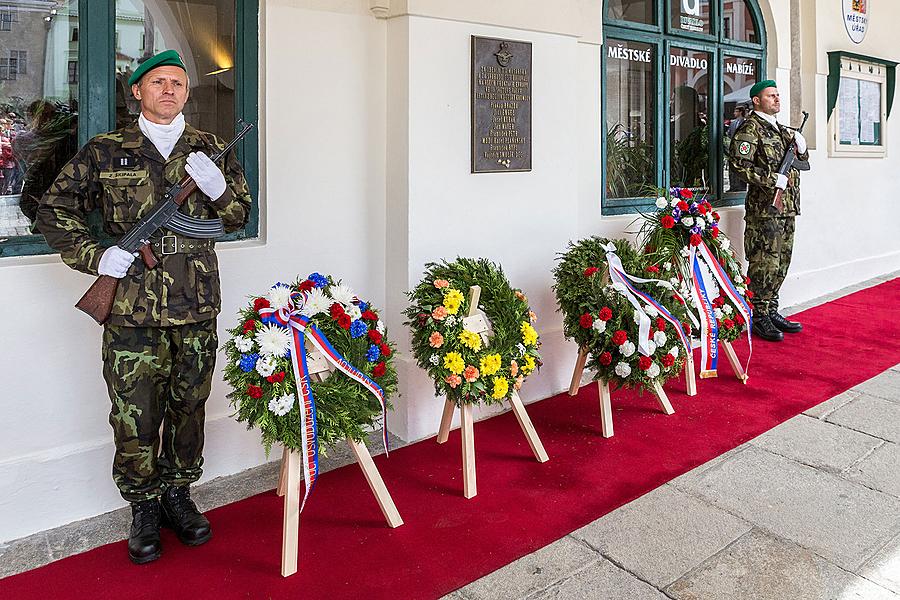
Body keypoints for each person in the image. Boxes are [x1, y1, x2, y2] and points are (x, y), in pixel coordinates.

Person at [35, 50, 252, 564]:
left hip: (196, 307)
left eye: (178, 83)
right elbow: (53, 209)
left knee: (189, 406)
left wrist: (221, 193)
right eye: (158, 82)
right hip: (131, 311)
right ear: (137, 91)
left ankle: (179, 495)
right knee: (134, 416)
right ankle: (144, 507)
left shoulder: (210, 149)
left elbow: (240, 215)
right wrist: (97, 255)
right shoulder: (106, 150)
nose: (170, 90)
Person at [728, 80, 808, 342]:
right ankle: (758, 315)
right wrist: (771, 179)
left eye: (777, 95)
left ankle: (772, 309)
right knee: (764, 263)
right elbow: (739, 167)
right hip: (764, 211)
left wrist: (803, 149)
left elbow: (801, 164)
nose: (776, 99)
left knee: (782, 262)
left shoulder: (783, 130)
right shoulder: (750, 129)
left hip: (786, 209)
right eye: (770, 96)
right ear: (756, 101)